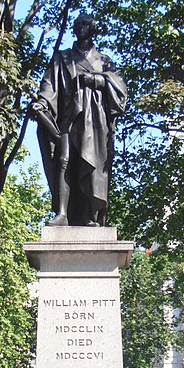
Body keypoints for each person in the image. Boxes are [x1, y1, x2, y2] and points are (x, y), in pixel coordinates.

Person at [31, 13, 127, 227]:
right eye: (77, 24)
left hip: (95, 122)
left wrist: (98, 80)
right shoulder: (62, 58)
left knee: (91, 164)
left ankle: (91, 216)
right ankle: (62, 214)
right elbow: (49, 86)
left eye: (85, 24)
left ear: (93, 29)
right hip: (69, 118)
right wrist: (42, 103)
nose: (80, 27)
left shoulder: (104, 62)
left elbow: (120, 91)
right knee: (64, 160)